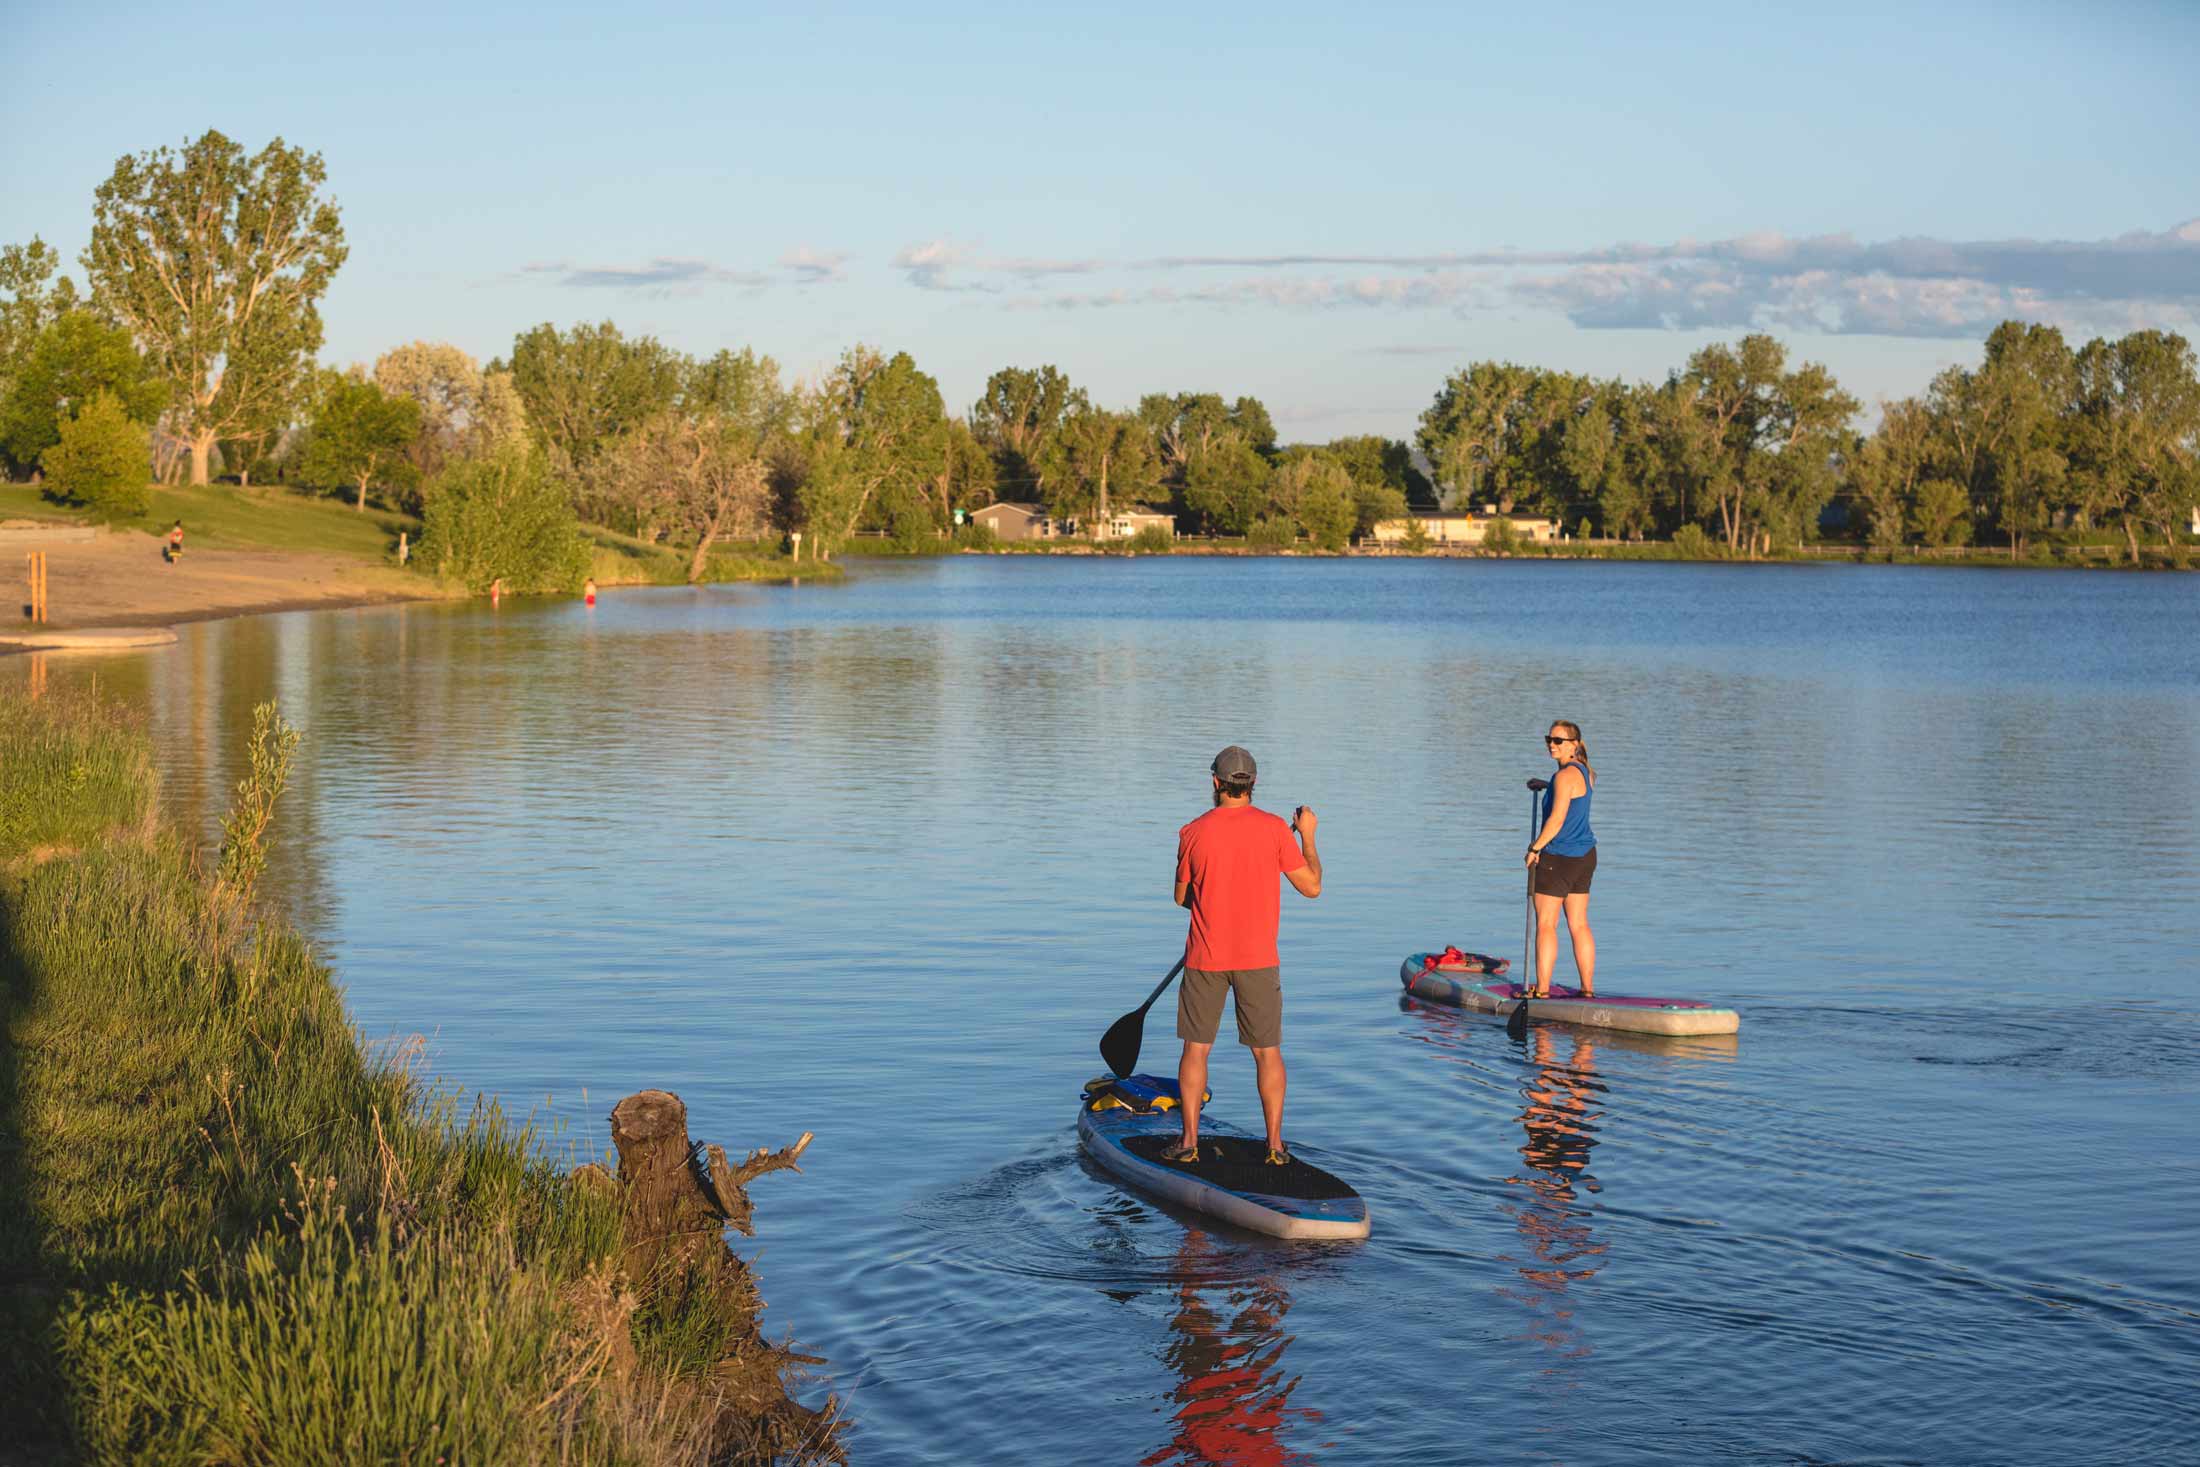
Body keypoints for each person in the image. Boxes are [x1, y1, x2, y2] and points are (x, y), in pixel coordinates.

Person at [1168, 745, 1322, 1167]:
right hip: (1258, 960)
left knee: (1196, 1050)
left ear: (1215, 783)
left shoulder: (1192, 832)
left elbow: (1182, 897)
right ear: (1252, 784)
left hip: (1205, 957)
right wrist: (1306, 835)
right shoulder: (1276, 831)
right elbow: (1312, 887)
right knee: (1267, 1052)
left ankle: (1188, 1142)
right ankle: (1274, 1145)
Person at [1524, 720, 1596, 999]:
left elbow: (1556, 820)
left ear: (1574, 744)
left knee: (1546, 925)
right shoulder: (1586, 773)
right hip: (1585, 857)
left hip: (1558, 857)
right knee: (1579, 924)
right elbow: (1571, 797)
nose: (1552, 745)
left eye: (1558, 741)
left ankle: (1541, 992)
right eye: (1549, 739)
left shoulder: (1564, 778)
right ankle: (1587, 991)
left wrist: (1535, 848)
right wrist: (1548, 786)